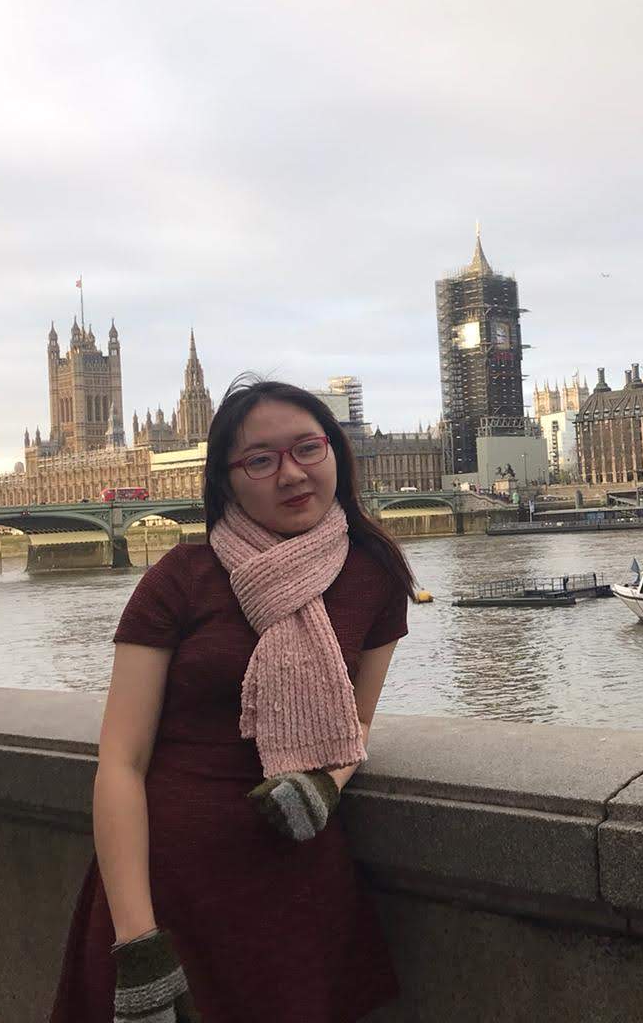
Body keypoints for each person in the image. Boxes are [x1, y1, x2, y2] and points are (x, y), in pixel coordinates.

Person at [51, 377, 414, 1022]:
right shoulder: (180, 578)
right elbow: (121, 762)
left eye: (308, 448)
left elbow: (353, 724)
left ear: (336, 451)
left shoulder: (375, 574)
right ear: (225, 480)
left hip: (295, 885)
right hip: (165, 890)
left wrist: (323, 785)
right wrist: (137, 943)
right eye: (261, 460)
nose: (292, 473)